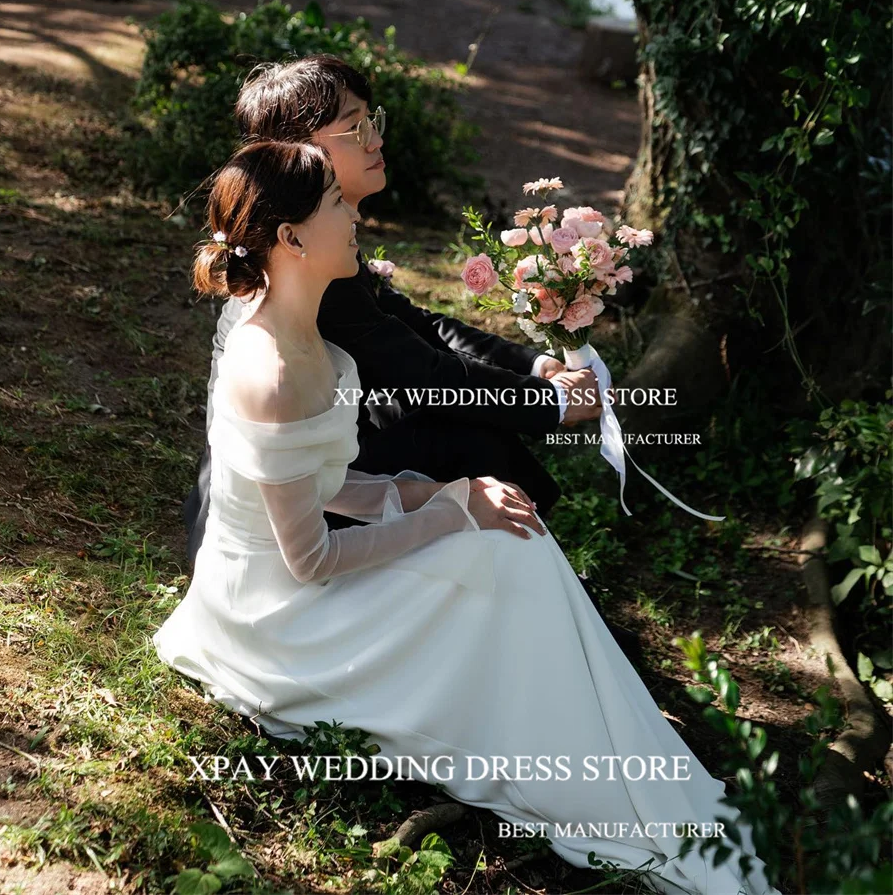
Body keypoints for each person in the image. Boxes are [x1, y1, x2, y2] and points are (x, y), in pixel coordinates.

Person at [153, 139, 780, 895]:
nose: (354, 215)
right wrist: (451, 512)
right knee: (499, 546)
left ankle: (624, 763)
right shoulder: (275, 372)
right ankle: (594, 777)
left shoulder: (311, 331)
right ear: (289, 238)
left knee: (513, 532)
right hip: (277, 621)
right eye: (334, 205)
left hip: (304, 574)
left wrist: (441, 493)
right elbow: (310, 560)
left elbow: (331, 483)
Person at [181, 55, 603, 569]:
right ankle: (520, 567)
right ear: (300, 151)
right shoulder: (300, 273)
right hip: (287, 517)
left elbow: (411, 323)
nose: (376, 139)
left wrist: (536, 367)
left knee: (467, 429)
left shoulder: (313, 242)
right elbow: (420, 372)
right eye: (355, 128)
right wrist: (551, 405)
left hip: (328, 460)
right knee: (468, 439)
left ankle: (526, 567)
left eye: (371, 122)